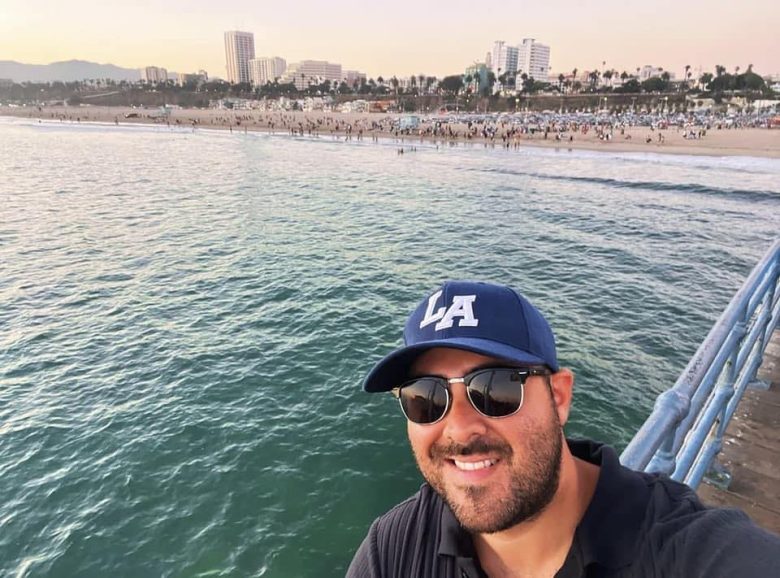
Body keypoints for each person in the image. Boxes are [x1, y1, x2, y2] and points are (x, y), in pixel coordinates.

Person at [346, 280, 780, 577]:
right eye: (426, 398)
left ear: (558, 397)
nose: (458, 428)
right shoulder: (394, 550)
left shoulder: (682, 551)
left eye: (494, 389)